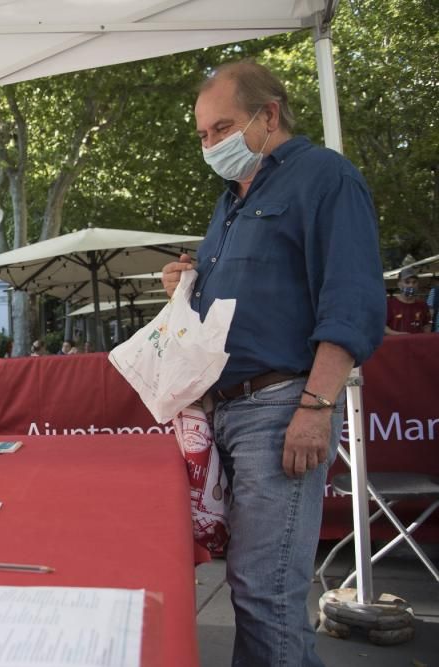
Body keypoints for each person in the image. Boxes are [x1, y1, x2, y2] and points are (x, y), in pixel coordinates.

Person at [161, 61, 384, 667]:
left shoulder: (325, 178)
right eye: (204, 135)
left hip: (282, 405)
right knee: (254, 588)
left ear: (270, 115)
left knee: (267, 592)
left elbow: (352, 299)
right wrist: (182, 287)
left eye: (222, 128)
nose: (212, 145)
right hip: (228, 410)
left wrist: (316, 405)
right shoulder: (230, 199)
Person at [385, 267, 432, 334]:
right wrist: (396, 334)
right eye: (407, 282)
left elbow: (427, 325)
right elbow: (382, 326)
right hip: (396, 343)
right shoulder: (389, 304)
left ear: (417, 284)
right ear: (399, 284)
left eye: (414, 282)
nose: (411, 285)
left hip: (418, 343)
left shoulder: (423, 305)